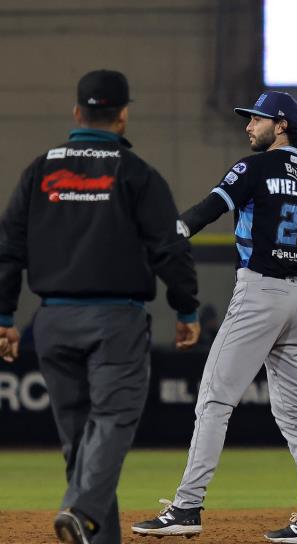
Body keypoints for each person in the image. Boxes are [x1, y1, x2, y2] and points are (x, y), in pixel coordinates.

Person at [131, 91, 297, 544]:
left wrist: (173, 233)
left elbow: (209, 208)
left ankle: (186, 506)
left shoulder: (255, 167)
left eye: (256, 119)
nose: (248, 127)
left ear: (280, 125)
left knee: (214, 400)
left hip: (259, 291)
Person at [0, 69, 200, 544]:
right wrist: (187, 308)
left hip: (52, 322)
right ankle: (84, 510)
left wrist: (5, 317)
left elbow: (9, 246)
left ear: (77, 113)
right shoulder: (135, 173)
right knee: (112, 420)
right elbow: (169, 248)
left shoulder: (40, 170)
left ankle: (91, 529)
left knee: (78, 439)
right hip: (115, 320)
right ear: (123, 116)